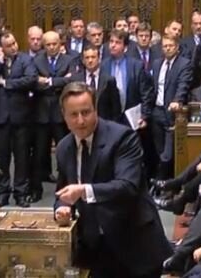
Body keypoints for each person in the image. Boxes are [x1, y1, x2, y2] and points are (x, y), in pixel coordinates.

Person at [54, 82, 172, 277]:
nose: (81, 121)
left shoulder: (122, 137)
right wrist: (61, 207)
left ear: (96, 110)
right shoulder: (64, 148)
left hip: (134, 245)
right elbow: (63, 191)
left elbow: (127, 186)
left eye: (86, 112)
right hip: (94, 248)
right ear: (63, 116)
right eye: (73, 115)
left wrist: (83, 191)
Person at [0, 31, 37, 207]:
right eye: (9, 45)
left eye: (15, 43)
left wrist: (7, 84)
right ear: (1, 48)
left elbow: (31, 79)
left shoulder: (25, 60)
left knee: (22, 157)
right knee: (2, 158)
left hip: (21, 117)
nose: (14, 47)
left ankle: (20, 193)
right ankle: (3, 192)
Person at [31, 31, 76, 201]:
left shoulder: (69, 60)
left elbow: (70, 81)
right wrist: (59, 81)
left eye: (54, 44)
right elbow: (34, 83)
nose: (51, 47)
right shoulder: (37, 60)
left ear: (60, 43)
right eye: (48, 44)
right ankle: (36, 190)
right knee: (39, 154)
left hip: (60, 113)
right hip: (41, 114)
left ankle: (66, 190)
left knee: (65, 152)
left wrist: (48, 81)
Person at [150, 34, 192, 180]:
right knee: (158, 151)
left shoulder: (184, 63)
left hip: (172, 113)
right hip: (156, 112)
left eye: (170, 46)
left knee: (167, 155)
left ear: (177, 47)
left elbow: (183, 85)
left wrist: (177, 100)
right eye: (165, 46)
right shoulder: (156, 64)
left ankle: (164, 184)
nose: (167, 49)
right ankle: (162, 183)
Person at [73, 45, 120, 121]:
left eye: (93, 57)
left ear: (99, 59)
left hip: (104, 123)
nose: (90, 60)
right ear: (83, 60)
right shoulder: (76, 80)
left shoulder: (109, 80)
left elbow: (116, 108)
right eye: (87, 58)